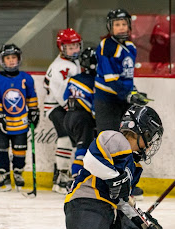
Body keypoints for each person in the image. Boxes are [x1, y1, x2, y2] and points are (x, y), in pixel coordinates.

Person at [95, 8, 150, 199]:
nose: (121, 27)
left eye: (124, 24)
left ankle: (126, 183)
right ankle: (105, 183)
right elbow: (110, 79)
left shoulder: (130, 47)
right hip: (107, 101)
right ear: (110, 27)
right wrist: (128, 96)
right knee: (109, 141)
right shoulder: (106, 46)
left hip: (122, 100)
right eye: (117, 24)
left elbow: (126, 78)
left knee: (128, 142)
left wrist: (133, 92)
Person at [0, 43, 39, 191]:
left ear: (19, 59)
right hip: (3, 122)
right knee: (1, 149)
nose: (11, 61)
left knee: (20, 149)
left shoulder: (26, 79)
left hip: (20, 122)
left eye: (14, 58)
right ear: (2, 60)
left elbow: (31, 96)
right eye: (8, 58)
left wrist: (34, 111)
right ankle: (4, 174)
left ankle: (18, 173)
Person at [44, 28, 82, 194]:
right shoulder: (60, 67)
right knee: (65, 137)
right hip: (56, 106)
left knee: (70, 139)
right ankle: (61, 178)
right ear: (62, 48)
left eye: (76, 46)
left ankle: (58, 176)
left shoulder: (73, 62)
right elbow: (62, 96)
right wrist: (74, 110)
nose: (75, 50)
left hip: (64, 105)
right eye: (70, 47)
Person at [63, 47, 97, 181]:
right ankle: (76, 181)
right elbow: (95, 108)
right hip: (83, 119)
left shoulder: (73, 79)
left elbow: (65, 98)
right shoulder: (96, 81)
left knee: (79, 149)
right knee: (83, 151)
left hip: (68, 118)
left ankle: (79, 177)